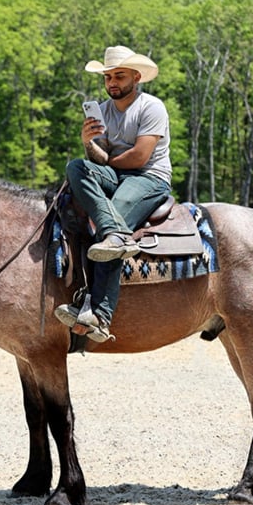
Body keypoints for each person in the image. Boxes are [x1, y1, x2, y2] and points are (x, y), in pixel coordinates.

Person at [54, 45, 172, 343]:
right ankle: (115, 234)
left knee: (109, 224)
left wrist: (106, 162)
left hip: (148, 178)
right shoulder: (104, 111)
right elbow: (97, 159)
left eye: (119, 76)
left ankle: (101, 314)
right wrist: (89, 143)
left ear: (136, 77)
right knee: (76, 167)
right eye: (107, 78)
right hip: (115, 175)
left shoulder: (151, 107)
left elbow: (139, 158)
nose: (112, 83)